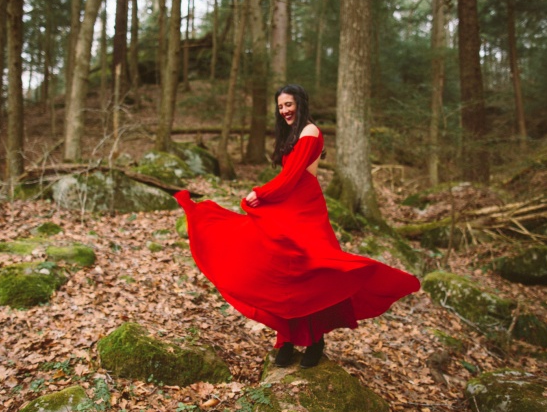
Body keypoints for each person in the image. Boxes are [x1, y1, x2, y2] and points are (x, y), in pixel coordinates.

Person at [174, 84, 419, 368]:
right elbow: (287, 176)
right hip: (288, 204)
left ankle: (315, 342)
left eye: (288, 104)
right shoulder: (294, 133)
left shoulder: (310, 131)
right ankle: (286, 340)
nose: (284, 110)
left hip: (304, 206)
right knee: (281, 269)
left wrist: (260, 193)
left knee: (309, 271)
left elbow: (291, 176)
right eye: (280, 107)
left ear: (301, 103)